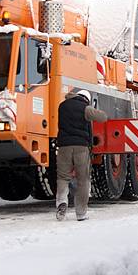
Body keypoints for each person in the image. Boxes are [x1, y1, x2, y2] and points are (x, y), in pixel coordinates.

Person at [55, 89, 107, 221]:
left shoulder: (62, 106)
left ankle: (62, 201)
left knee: (63, 177)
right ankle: (81, 213)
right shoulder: (85, 108)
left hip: (64, 146)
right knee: (82, 180)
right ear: (86, 99)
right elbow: (102, 117)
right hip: (81, 148)